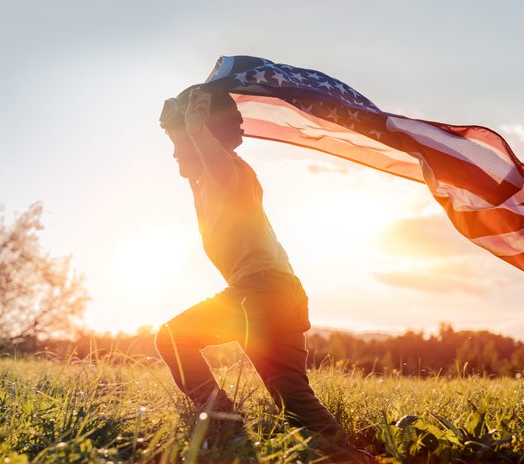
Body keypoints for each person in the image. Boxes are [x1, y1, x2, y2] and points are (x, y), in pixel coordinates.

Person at [154, 86, 373, 462]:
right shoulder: (203, 183)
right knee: (296, 405)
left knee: (172, 338)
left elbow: (217, 165)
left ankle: (226, 426)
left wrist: (194, 130)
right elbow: (199, 165)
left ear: (204, 137)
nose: (174, 153)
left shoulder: (231, 174)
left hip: (260, 292)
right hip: (283, 294)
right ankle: (352, 456)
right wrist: (180, 122)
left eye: (180, 144)